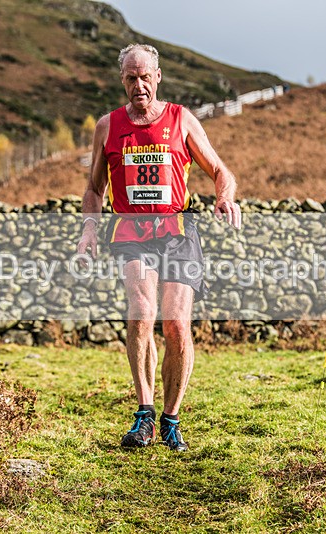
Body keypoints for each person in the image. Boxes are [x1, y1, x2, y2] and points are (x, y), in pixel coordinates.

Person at [76, 43, 241, 452]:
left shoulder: (180, 119)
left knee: (176, 325)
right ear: (122, 81)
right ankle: (144, 413)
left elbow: (221, 171)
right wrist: (89, 230)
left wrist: (225, 197)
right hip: (131, 232)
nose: (138, 86)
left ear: (158, 77)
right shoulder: (108, 126)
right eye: (130, 78)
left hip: (178, 231)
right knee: (142, 312)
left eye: (145, 77)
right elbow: (94, 188)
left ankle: (171, 419)